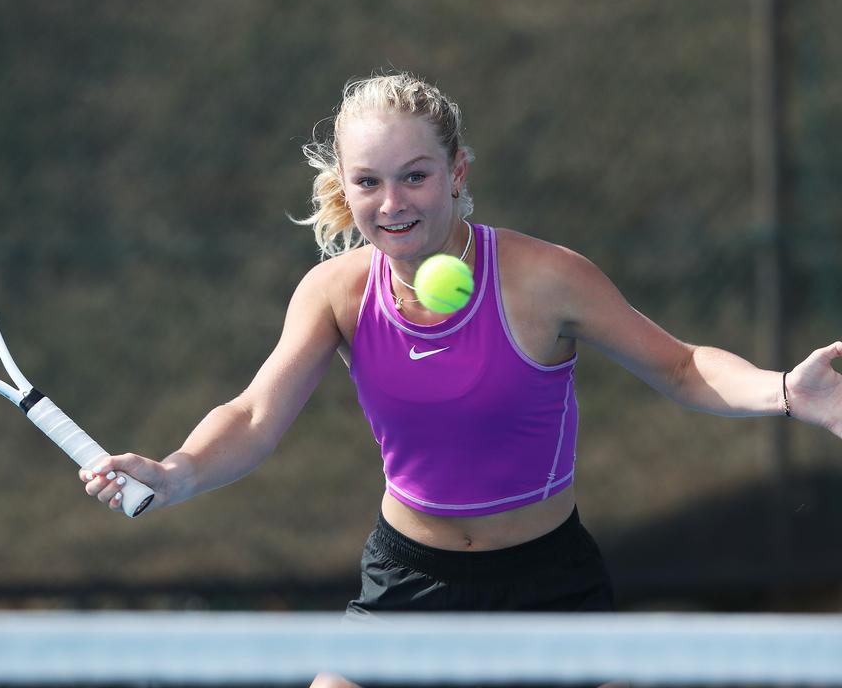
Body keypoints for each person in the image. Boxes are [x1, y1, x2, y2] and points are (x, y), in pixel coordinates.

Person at [80, 71, 842, 687]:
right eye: (369, 182)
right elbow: (252, 417)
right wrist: (176, 472)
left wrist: (781, 391)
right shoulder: (336, 293)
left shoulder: (544, 279)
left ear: (456, 173)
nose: (393, 202)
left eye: (414, 176)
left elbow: (679, 364)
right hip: (409, 583)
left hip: (549, 584)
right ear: (346, 191)